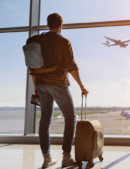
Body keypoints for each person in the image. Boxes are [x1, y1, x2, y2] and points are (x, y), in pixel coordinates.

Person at [29, 13, 89, 168]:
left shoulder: (37, 41)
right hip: (58, 83)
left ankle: (47, 158)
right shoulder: (63, 42)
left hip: (42, 85)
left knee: (45, 121)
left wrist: (36, 89)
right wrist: (82, 86)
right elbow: (72, 67)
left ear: (48, 24)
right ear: (60, 26)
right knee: (70, 118)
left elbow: (32, 69)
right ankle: (66, 156)